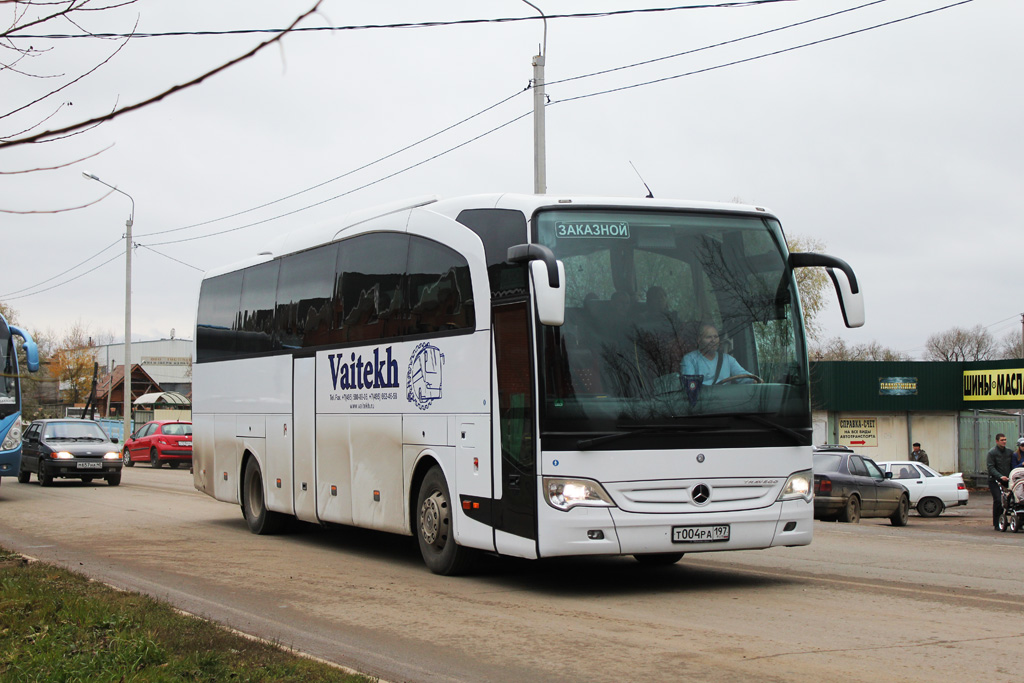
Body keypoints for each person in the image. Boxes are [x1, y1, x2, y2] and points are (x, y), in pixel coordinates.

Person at [680, 323, 750, 385]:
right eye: (709, 337)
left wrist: (755, 381)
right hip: (703, 399)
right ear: (699, 340)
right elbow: (690, 387)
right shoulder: (690, 359)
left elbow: (744, 377)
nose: (713, 340)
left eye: (716, 337)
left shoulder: (728, 360)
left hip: (727, 399)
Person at [986, 433, 1014, 529]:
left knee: (1012, 500)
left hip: (1007, 479)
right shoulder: (992, 453)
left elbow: (1013, 464)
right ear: (997, 441)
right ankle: (996, 522)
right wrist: (1000, 476)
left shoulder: (1009, 452)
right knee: (998, 500)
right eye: (1002, 440)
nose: (1004, 442)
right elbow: (991, 467)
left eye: (1005, 440)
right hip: (994, 480)